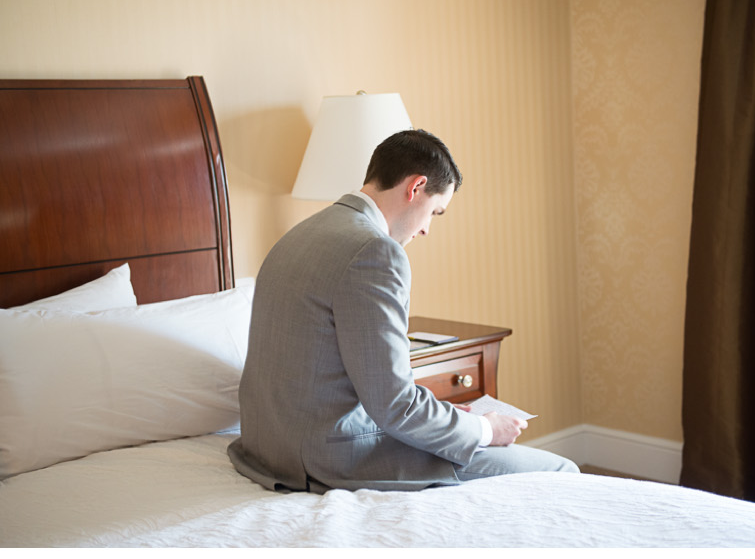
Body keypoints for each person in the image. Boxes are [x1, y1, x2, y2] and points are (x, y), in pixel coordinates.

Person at [228, 129, 577, 493]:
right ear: (416, 187)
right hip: (331, 456)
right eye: (435, 211)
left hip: (264, 449)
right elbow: (396, 405)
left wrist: (451, 418)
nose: (426, 229)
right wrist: (487, 429)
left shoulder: (296, 236)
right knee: (560, 471)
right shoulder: (375, 252)